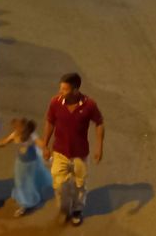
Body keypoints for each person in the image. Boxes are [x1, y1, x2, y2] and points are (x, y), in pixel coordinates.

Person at [42, 73, 104, 227]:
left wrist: (99, 147)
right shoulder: (55, 102)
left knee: (79, 185)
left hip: (80, 155)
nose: (60, 92)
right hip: (60, 153)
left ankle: (77, 210)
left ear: (75, 90)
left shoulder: (89, 105)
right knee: (58, 185)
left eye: (64, 89)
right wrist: (45, 145)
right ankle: (64, 209)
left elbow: (99, 123)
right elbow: (50, 122)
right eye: (60, 88)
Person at [0, 118, 52, 217]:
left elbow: (42, 145)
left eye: (18, 129)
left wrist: (46, 152)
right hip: (20, 164)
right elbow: (4, 143)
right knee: (20, 184)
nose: (16, 130)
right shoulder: (15, 135)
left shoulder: (32, 136)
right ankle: (25, 203)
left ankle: (25, 204)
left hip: (32, 164)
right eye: (16, 129)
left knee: (29, 183)